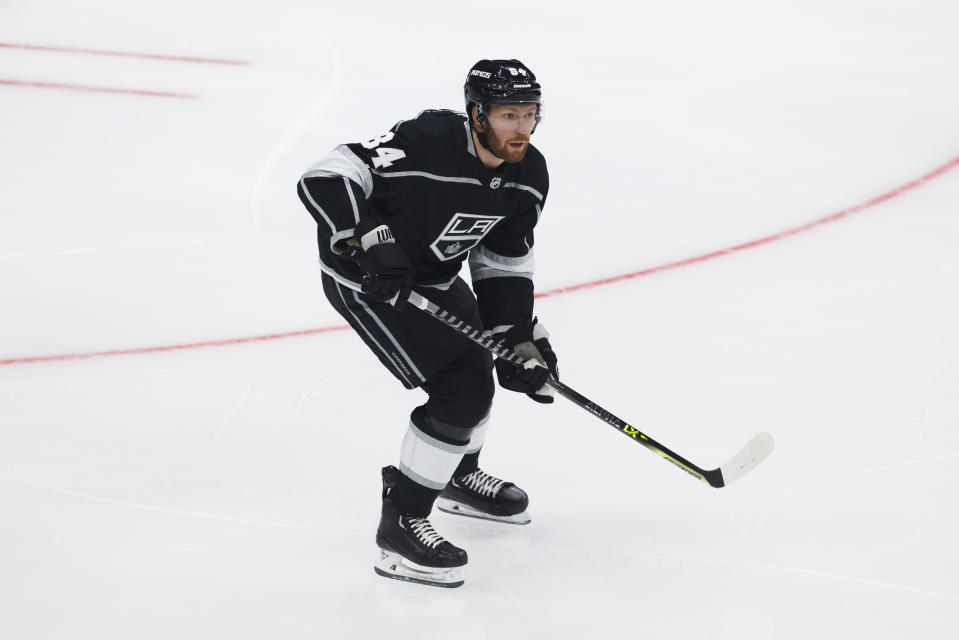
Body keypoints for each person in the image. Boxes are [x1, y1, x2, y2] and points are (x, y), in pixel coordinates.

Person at [297, 59, 558, 588]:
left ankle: (457, 475)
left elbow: (502, 261)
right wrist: (369, 239)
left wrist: (521, 340)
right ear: (477, 115)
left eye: (530, 115)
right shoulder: (427, 140)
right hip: (368, 281)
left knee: (484, 366)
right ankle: (402, 524)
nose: (521, 128)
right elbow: (324, 176)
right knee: (459, 389)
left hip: (434, 277)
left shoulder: (528, 175)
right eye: (509, 115)